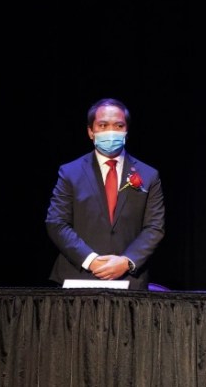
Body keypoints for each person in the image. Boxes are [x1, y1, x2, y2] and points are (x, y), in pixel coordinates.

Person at [45, 98, 166, 290]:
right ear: (91, 132)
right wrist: (91, 260)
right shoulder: (70, 172)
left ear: (126, 131)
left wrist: (127, 261)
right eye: (103, 125)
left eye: (119, 125)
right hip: (78, 277)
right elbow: (56, 222)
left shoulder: (148, 175)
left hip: (129, 280)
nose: (111, 131)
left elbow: (154, 227)